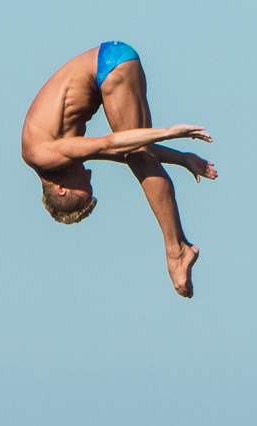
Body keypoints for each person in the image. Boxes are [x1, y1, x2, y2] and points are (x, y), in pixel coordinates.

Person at [21, 41, 217, 298]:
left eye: (85, 185)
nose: (89, 174)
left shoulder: (40, 155)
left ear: (60, 188)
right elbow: (121, 150)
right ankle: (178, 247)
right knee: (137, 155)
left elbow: (109, 143)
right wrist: (183, 158)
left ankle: (177, 251)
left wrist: (171, 132)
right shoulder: (55, 158)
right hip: (114, 61)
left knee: (138, 157)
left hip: (109, 68)